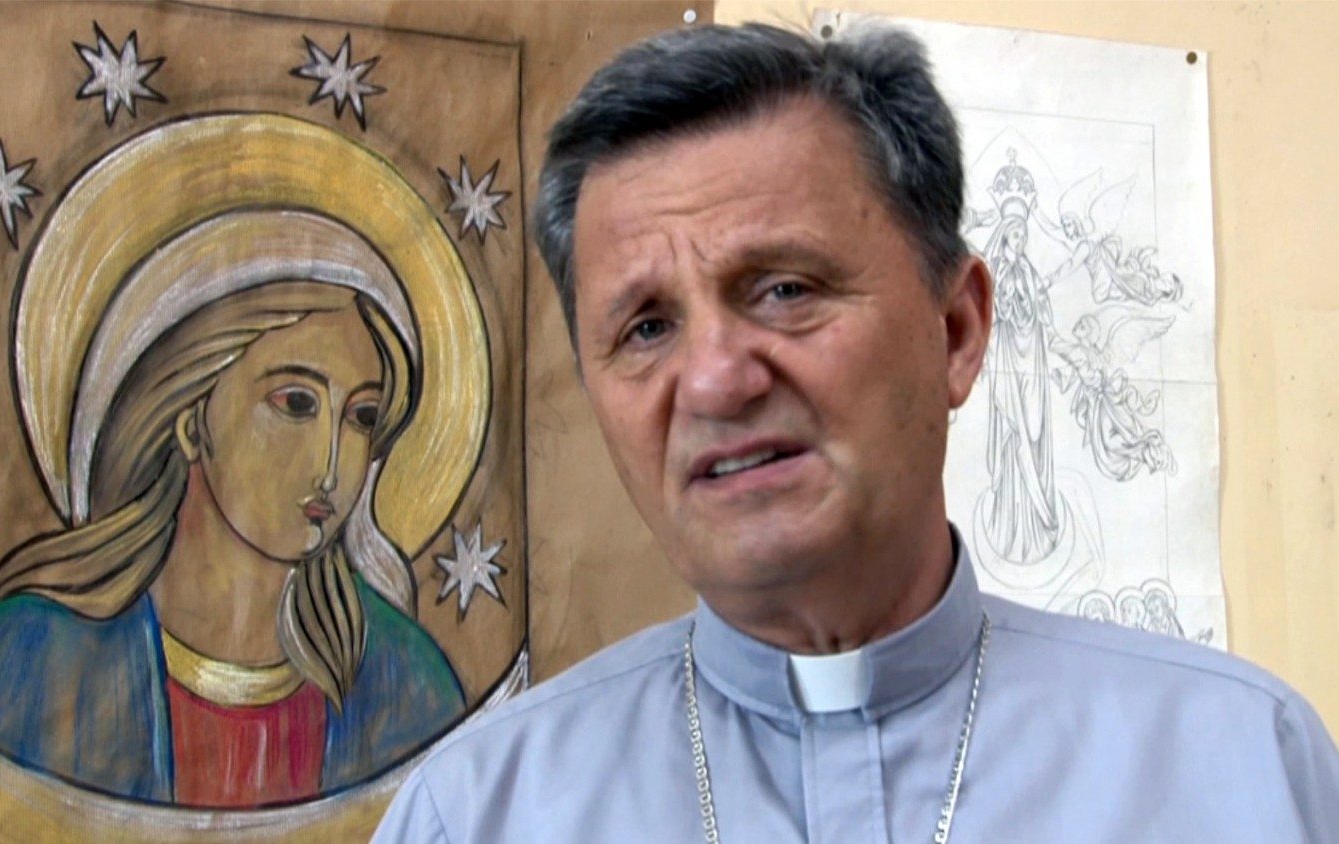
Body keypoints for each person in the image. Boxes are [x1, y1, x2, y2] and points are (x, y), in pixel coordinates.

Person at [373, 22, 1339, 842]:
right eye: (647, 329)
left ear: (955, 331)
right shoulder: (476, 815)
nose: (714, 380)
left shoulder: (1246, 768)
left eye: (784, 290)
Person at [0, 114, 486, 808]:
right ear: (190, 418)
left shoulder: (406, 687)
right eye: (295, 403)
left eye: (360, 418)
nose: (332, 467)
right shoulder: (22, 669)